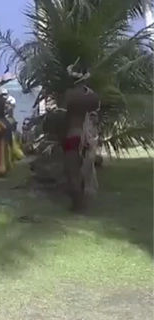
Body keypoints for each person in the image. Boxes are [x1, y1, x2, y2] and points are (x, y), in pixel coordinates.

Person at [62, 62, 100, 212]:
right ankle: (84, 201)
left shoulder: (70, 94)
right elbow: (96, 117)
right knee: (86, 170)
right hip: (89, 138)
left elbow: (61, 115)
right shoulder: (93, 96)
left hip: (73, 135)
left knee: (72, 171)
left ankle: (77, 205)